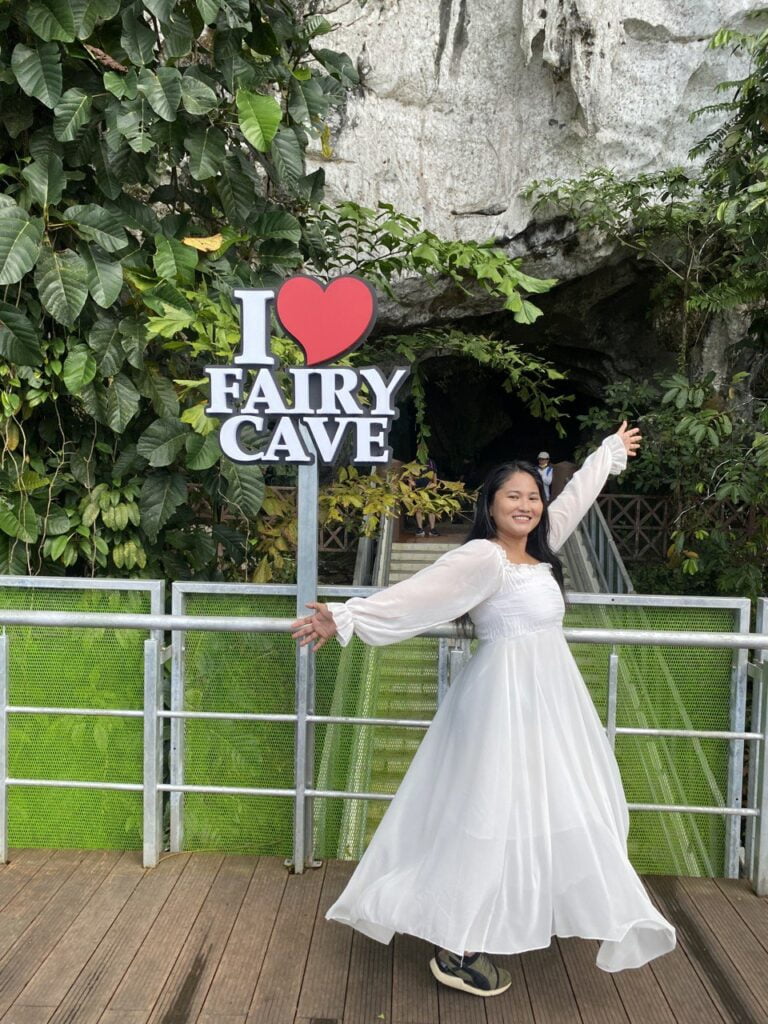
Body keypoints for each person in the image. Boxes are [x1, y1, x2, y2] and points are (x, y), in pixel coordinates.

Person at [291, 422, 676, 998]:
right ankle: (458, 944)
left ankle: (518, 907)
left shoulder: (538, 552)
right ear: (490, 506)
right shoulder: (484, 558)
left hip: (552, 704)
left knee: (559, 805)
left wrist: (607, 453)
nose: (526, 505)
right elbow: (418, 594)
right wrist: (347, 616)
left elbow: (571, 501)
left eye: (531, 497)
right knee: (489, 809)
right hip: (502, 703)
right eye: (512, 496)